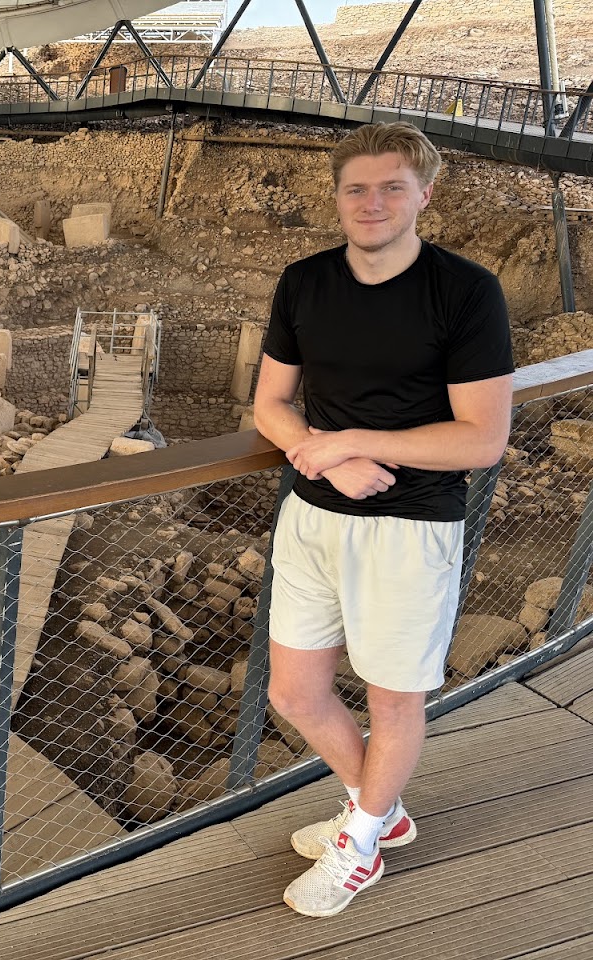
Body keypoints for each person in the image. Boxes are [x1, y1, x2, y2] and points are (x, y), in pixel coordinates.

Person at [252, 121, 514, 918]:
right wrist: (322, 455)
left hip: (411, 527)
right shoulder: (304, 282)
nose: (372, 202)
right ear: (337, 198)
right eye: (356, 188)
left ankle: (361, 840)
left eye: (391, 187)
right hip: (311, 518)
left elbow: (483, 437)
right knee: (295, 694)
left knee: (393, 700)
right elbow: (269, 404)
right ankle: (381, 809)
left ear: (423, 195)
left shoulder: (466, 292)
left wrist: (355, 441)